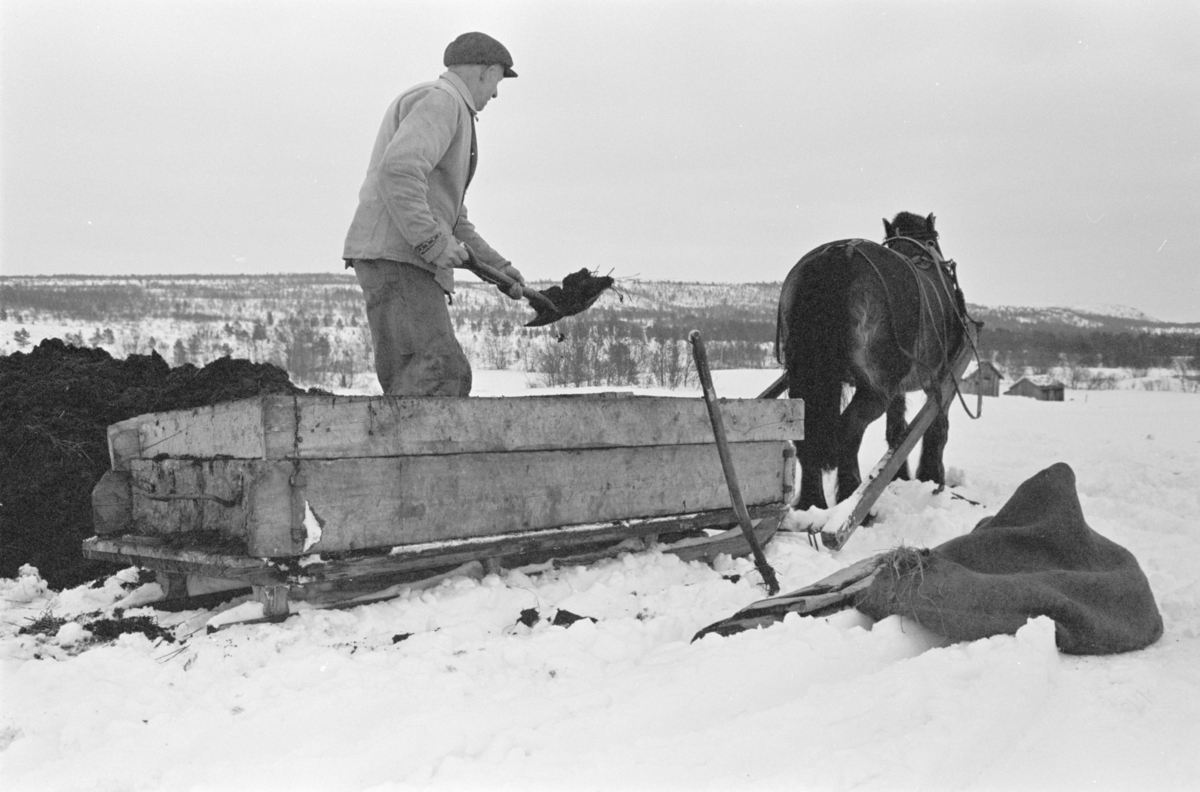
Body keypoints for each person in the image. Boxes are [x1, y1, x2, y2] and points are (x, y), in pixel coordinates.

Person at [343, 32, 526, 396]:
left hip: (401, 258)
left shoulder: (449, 107)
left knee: (425, 378)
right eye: (498, 80)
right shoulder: (442, 102)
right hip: (399, 259)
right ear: (486, 71)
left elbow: (453, 220)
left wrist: (499, 270)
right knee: (437, 376)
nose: (495, 94)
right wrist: (431, 241)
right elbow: (398, 170)